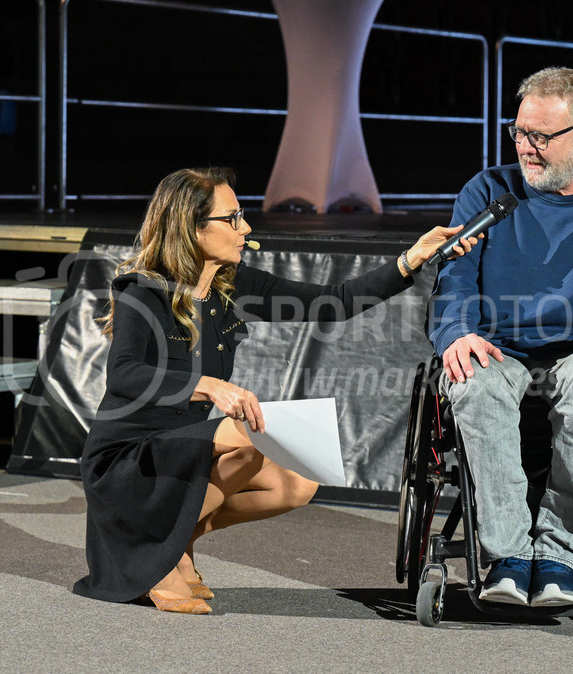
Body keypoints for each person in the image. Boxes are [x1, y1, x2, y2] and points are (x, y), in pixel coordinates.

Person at [73, 166, 478, 614]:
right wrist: (208, 387)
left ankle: (176, 541)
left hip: (178, 450)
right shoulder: (143, 291)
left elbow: (336, 302)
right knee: (248, 433)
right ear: (191, 227)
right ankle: (156, 563)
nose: (245, 227)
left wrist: (410, 259)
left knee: (296, 483)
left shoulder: (234, 285)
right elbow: (125, 374)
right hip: (126, 458)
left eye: (241, 215)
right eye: (232, 219)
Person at [427, 67, 573, 607]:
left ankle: (560, 555)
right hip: (497, 349)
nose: (526, 149)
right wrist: (456, 335)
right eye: (519, 132)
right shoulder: (489, 191)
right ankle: (508, 556)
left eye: (540, 136)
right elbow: (454, 280)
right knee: (474, 378)